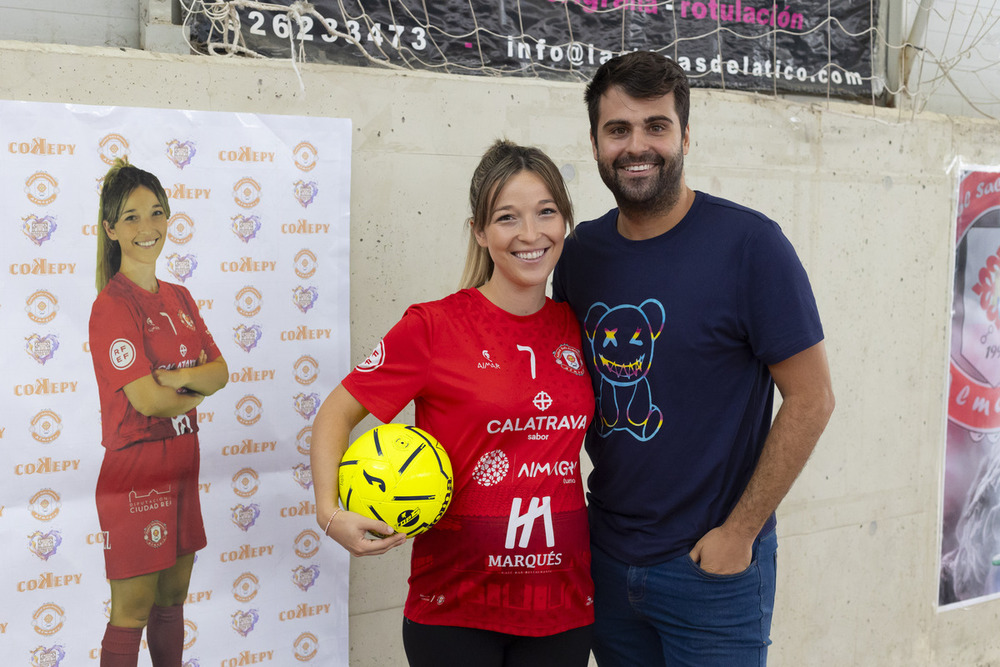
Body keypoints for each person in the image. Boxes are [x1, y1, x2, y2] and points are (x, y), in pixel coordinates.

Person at [552, 51, 836, 666]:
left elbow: (813, 398)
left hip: (712, 575)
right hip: (605, 561)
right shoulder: (580, 256)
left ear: (685, 135)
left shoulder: (750, 246)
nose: (637, 145)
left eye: (656, 126)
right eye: (618, 129)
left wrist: (739, 533)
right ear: (597, 143)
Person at [310, 140, 595, 667]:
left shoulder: (580, 325)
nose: (531, 234)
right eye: (508, 218)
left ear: (566, 223)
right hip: (455, 609)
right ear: (481, 233)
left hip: (562, 603)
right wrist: (329, 513)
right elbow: (336, 412)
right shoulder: (433, 327)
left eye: (546, 212)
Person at [89, 160, 228, 667]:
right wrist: (191, 388)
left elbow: (221, 372)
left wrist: (177, 380)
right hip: (136, 469)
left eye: (155, 213)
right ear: (110, 229)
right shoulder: (112, 305)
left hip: (183, 460)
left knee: (172, 600)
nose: (146, 228)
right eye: (130, 217)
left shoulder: (181, 296)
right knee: (132, 610)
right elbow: (146, 400)